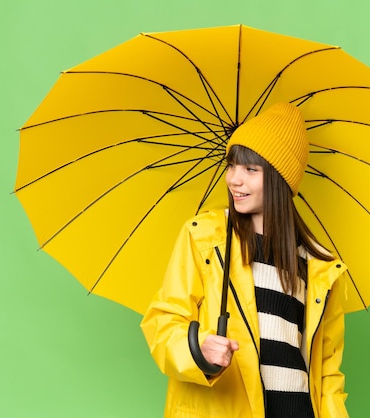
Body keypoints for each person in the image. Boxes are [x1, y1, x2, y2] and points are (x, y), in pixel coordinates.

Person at [141, 103, 350, 417]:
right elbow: (164, 322)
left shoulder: (318, 266)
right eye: (232, 166)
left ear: (281, 180)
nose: (234, 180)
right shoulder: (205, 238)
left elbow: (326, 372)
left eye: (251, 170)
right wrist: (198, 349)